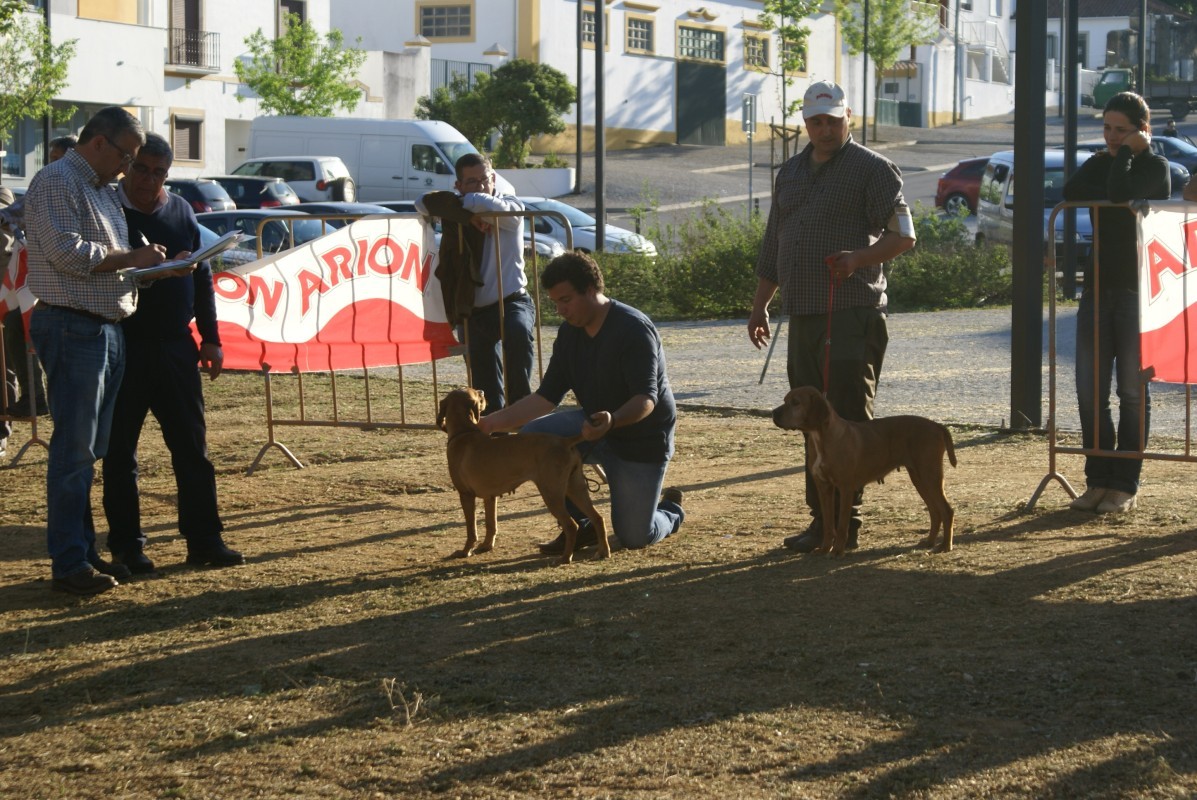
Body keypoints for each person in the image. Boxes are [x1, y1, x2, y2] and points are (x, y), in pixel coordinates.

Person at [747, 80, 916, 553]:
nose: (825, 129)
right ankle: (821, 521)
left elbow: (903, 237)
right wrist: (760, 304)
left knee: (847, 417)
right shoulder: (789, 172)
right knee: (809, 419)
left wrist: (858, 259)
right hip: (801, 313)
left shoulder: (875, 169)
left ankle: (847, 523)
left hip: (850, 313)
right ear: (805, 123)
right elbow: (773, 243)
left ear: (849, 119)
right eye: (816, 121)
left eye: (833, 121)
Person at [25, 106, 171, 596]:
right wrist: (133, 258)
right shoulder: (56, 180)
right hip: (72, 327)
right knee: (74, 452)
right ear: (98, 143)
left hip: (104, 327)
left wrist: (151, 270)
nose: (129, 168)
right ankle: (69, 563)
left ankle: (83, 553)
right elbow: (68, 253)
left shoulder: (103, 191)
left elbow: (112, 265)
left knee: (89, 452)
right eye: (126, 156)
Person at [477, 251, 684, 553]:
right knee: (533, 437)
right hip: (593, 428)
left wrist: (613, 420)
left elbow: (646, 400)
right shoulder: (569, 333)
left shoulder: (633, 329)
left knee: (634, 536)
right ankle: (580, 525)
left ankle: (670, 511)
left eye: (566, 300)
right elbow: (545, 398)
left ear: (590, 290)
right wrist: (490, 423)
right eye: (554, 303)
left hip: (641, 440)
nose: (560, 310)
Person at [102, 133, 243, 573]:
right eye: (141, 169)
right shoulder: (107, 209)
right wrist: (146, 269)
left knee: (192, 449)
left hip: (176, 346)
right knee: (119, 453)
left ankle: (205, 541)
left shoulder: (181, 209)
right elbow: (97, 272)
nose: (148, 180)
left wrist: (211, 338)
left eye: (159, 173)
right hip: (124, 344)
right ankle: (127, 547)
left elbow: (202, 276)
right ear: (127, 166)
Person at [1064, 91, 1170, 514]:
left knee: (1131, 391)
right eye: (1107, 128)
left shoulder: (1156, 167)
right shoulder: (1099, 162)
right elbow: (1071, 189)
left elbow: (1122, 189)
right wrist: (1117, 166)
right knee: (1089, 391)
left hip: (1136, 293)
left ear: (1142, 130)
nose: (1110, 136)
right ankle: (1097, 480)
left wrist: (1128, 155)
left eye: (1120, 130)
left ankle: (1124, 483)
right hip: (1096, 290)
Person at [416, 153, 533, 413]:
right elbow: (422, 202)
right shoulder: (458, 211)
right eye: (472, 181)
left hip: (513, 299)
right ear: (458, 185)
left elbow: (501, 211)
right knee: (485, 382)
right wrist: (468, 218)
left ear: (494, 179)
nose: (481, 186)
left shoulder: (510, 204)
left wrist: (466, 204)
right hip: (474, 309)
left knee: (518, 336)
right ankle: (495, 427)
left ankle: (522, 413)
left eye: (485, 179)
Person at [0, 136, 74, 422]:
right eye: (50, 158)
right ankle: (35, 397)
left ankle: (52, 401)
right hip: (41, 284)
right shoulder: (43, 186)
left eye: (57, 158)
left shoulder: (84, 189)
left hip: (74, 290)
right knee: (15, 324)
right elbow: (15, 213)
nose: (51, 164)